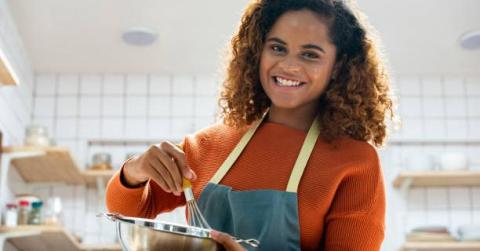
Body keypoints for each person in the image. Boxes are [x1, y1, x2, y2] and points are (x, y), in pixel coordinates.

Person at [105, 0, 394, 250]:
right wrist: (135, 171)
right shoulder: (207, 145)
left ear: (339, 66)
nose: (289, 66)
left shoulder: (354, 162)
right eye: (277, 48)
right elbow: (126, 209)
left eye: (310, 54)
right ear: (259, 53)